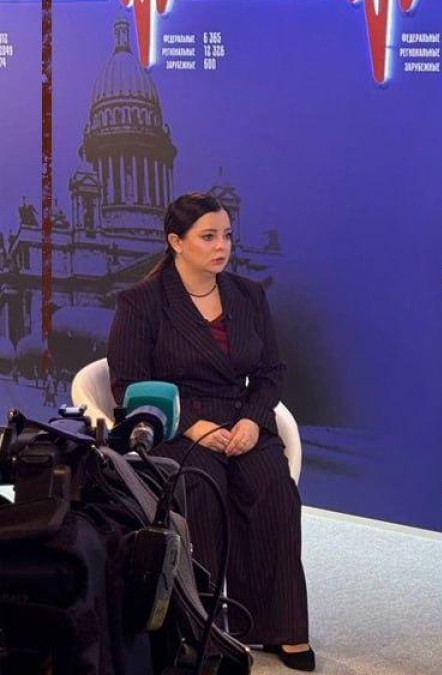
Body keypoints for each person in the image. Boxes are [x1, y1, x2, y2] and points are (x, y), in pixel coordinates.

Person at [107, 193, 314, 671]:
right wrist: (191, 423)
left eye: (226, 235)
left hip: (241, 418)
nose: (222, 246)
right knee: (202, 492)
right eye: (208, 237)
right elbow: (128, 384)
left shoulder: (248, 295)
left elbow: (271, 372)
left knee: (273, 489)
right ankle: (201, 629)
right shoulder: (141, 302)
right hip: (178, 423)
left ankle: (279, 625)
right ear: (176, 241)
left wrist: (252, 419)